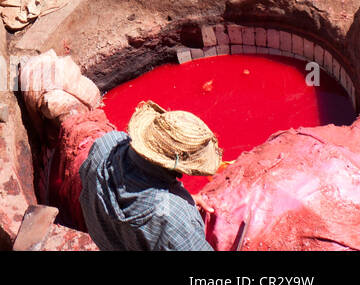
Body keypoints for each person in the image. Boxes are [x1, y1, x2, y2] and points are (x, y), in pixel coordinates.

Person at [19, 52, 219, 251]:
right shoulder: (174, 219)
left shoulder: (107, 145)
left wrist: (183, 199)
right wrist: (179, 206)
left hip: (102, 233)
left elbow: (135, 195)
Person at [79, 101, 219, 251]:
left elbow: (133, 190)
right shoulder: (176, 218)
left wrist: (180, 197)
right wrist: (178, 202)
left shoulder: (106, 145)